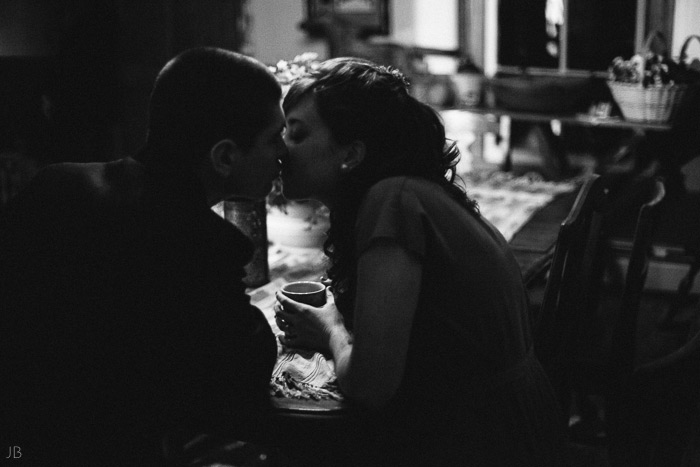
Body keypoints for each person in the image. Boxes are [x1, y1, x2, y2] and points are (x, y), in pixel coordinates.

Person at [273, 57, 568, 466]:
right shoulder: (408, 191)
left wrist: (330, 328)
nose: (280, 145)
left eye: (297, 133)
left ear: (352, 153)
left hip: (481, 440)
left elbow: (370, 385)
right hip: (511, 418)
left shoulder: (392, 202)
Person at [0, 48, 285, 466]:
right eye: (273, 138)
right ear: (224, 157)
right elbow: (238, 379)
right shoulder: (200, 246)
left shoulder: (53, 185)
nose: (283, 154)